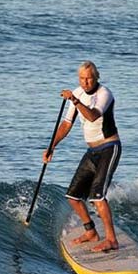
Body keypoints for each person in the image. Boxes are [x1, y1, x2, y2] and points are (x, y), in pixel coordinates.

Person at [43, 61, 121, 253]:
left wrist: (75, 101)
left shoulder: (104, 94)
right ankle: (91, 232)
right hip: (92, 151)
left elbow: (93, 115)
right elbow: (66, 124)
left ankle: (111, 240)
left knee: (97, 196)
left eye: (89, 78)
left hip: (109, 148)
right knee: (73, 196)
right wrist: (52, 146)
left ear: (96, 78)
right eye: (82, 78)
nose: (85, 82)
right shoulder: (77, 93)